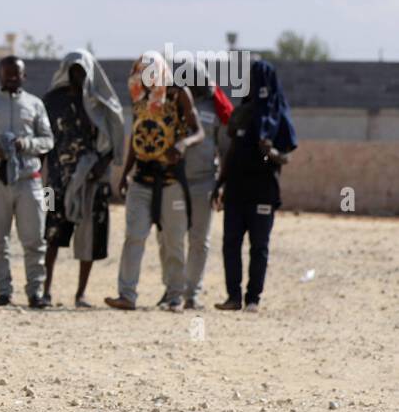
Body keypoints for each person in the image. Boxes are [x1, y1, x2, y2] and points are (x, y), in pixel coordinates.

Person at [105, 52, 204, 312]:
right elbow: (137, 136)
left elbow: (199, 131)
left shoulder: (178, 93)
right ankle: (127, 294)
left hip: (171, 180)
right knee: (134, 236)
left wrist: (183, 144)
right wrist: (126, 173)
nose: (146, 79)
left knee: (173, 240)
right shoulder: (138, 95)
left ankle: (175, 295)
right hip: (141, 178)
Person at [0, 56, 54, 307]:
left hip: (28, 181)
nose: (12, 78)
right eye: (8, 74)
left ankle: (35, 292)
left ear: (24, 76)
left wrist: (27, 144)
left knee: (35, 239)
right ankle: (4, 291)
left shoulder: (35, 105)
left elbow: (48, 140)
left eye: (17, 74)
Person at [40, 50, 124, 307]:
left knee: (90, 235)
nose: (78, 75)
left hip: (92, 179)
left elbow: (112, 138)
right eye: (74, 70)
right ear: (66, 70)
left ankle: (81, 294)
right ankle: (45, 291)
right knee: (50, 234)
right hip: (54, 180)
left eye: (83, 70)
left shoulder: (100, 102)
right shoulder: (51, 101)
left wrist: (103, 164)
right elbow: (42, 138)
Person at [215, 58, 295, 313]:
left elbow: (287, 156)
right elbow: (231, 152)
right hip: (236, 190)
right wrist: (220, 184)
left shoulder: (278, 116)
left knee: (258, 246)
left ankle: (253, 299)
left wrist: (271, 152)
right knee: (231, 243)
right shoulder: (241, 113)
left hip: (263, 191)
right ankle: (233, 297)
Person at [162, 55, 232, 309]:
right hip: (174, 181)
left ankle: (192, 293)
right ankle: (173, 290)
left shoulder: (216, 108)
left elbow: (225, 149)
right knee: (172, 237)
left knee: (199, 239)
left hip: (204, 182)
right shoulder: (170, 104)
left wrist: (222, 185)